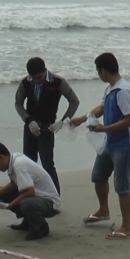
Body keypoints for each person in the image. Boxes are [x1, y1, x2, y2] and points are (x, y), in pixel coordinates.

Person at [71, 52, 130, 240]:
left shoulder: (123, 91)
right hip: (110, 141)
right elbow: (101, 108)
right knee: (98, 176)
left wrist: (105, 128)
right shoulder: (110, 88)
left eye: (97, 71)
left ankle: (126, 226)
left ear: (103, 70)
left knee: (121, 186)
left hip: (125, 145)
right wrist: (82, 118)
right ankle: (103, 210)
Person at [15, 57, 79, 194]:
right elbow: (18, 103)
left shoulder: (58, 82)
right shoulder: (26, 82)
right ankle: (29, 194)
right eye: (33, 78)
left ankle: (55, 196)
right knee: (28, 163)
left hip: (48, 128)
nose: (37, 80)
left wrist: (63, 121)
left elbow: (74, 101)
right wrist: (28, 120)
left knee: (48, 164)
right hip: (30, 127)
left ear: (45, 70)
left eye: (39, 77)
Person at [0, 142, 61, 241]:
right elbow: (14, 184)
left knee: (26, 203)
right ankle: (28, 221)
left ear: (1, 158)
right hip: (38, 197)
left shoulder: (18, 165)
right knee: (2, 193)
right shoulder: (14, 160)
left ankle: (41, 228)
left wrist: (9, 206)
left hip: (49, 202)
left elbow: (30, 192)